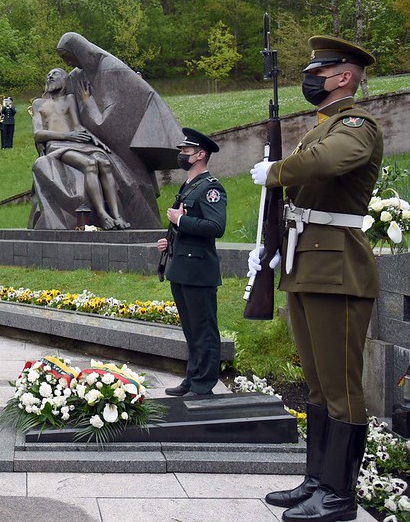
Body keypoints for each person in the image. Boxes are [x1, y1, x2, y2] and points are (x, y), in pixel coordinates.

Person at [248, 36, 382, 522]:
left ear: (343, 76)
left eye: (318, 72)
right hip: (306, 266)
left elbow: (327, 163)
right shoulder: (320, 127)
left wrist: (276, 171)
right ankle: (318, 481)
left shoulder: (355, 125)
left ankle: (340, 496)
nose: (310, 79)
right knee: (317, 385)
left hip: (338, 268)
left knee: (341, 386)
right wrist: (269, 249)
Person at [156, 128, 226, 398]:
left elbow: (216, 226)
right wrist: (170, 240)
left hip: (199, 271)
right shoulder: (189, 186)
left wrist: (180, 221)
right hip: (182, 269)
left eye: (185, 152)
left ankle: (203, 384)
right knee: (191, 329)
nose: (181, 155)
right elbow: (185, 226)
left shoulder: (211, 188)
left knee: (204, 330)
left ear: (200, 154)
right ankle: (192, 377)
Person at [31, 68, 129, 229]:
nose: (50, 76)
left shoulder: (69, 99)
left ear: (64, 80)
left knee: (104, 163)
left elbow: (77, 126)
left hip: (77, 142)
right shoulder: (38, 104)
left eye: (55, 74)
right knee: (90, 164)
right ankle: (102, 214)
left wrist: (94, 140)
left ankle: (117, 215)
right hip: (57, 145)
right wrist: (67, 136)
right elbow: (37, 133)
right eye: (48, 74)